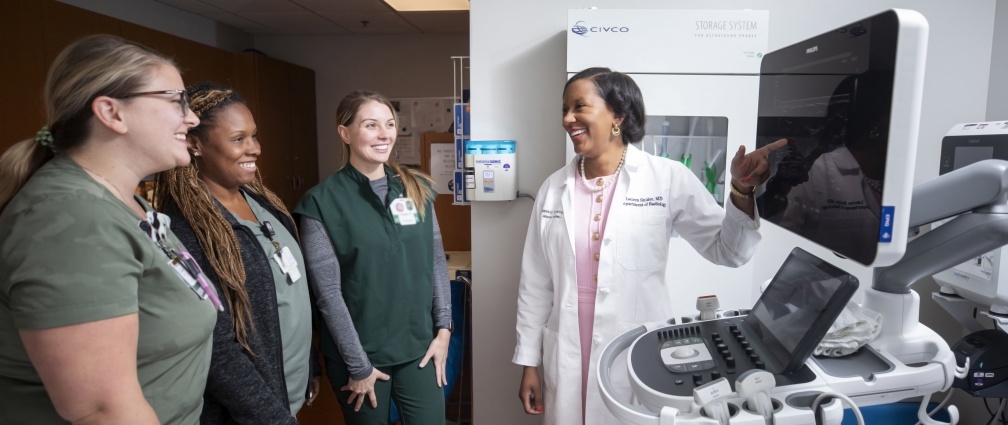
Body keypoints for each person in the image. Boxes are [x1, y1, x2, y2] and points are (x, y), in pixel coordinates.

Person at [513, 67, 787, 424]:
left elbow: (730, 251)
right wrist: (529, 362)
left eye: (579, 107)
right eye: (564, 109)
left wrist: (742, 190)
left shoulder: (667, 178)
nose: (567, 119)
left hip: (634, 354)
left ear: (617, 115)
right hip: (565, 352)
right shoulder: (553, 189)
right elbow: (535, 284)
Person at [0, 34, 217, 425]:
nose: (192, 118)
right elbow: (103, 411)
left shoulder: (127, 204)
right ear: (112, 113)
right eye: (176, 100)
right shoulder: (71, 218)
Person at [153, 81, 319, 424]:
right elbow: (217, 348)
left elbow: (291, 295)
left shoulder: (263, 202)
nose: (254, 148)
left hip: (287, 392)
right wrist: (272, 418)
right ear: (195, 144)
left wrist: (310, 365)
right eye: (238, 139)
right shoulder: (188, 229)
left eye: (254, 136)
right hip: (251, 414)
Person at [294, 89, 453, 424]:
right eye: (371, 125)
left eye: (390, 124)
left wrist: (444, 330)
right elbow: (328, 294)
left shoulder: (416, 188)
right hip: (361, 356)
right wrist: (358, 365)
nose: (384, 134)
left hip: (419, 347)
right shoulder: (320, 203)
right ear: (345, 133)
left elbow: (436, 261)